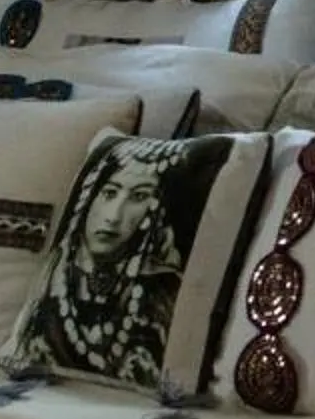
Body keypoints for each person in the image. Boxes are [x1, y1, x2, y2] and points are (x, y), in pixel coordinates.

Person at [12, 135, 195, 386]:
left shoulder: (162, 293)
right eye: (109, 193)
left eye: (139, 197)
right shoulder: (52, 283)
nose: (114, 215)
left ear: (157, 211)